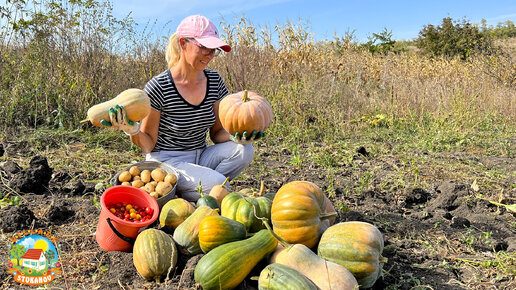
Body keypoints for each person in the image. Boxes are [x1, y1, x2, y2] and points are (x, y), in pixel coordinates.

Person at [101, 15, 265, 201]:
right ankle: (186, 189)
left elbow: (217, 133)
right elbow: (148, 145)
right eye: (203, 47)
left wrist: (238, 136)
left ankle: (192, 191)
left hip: (201, 155)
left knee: (245, 150)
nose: (210, 55)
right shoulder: (159, 86)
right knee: (219, 185)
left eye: (213, 49)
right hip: (167, 161)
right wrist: (132, 130)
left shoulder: (214, 82)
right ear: (183, 43)